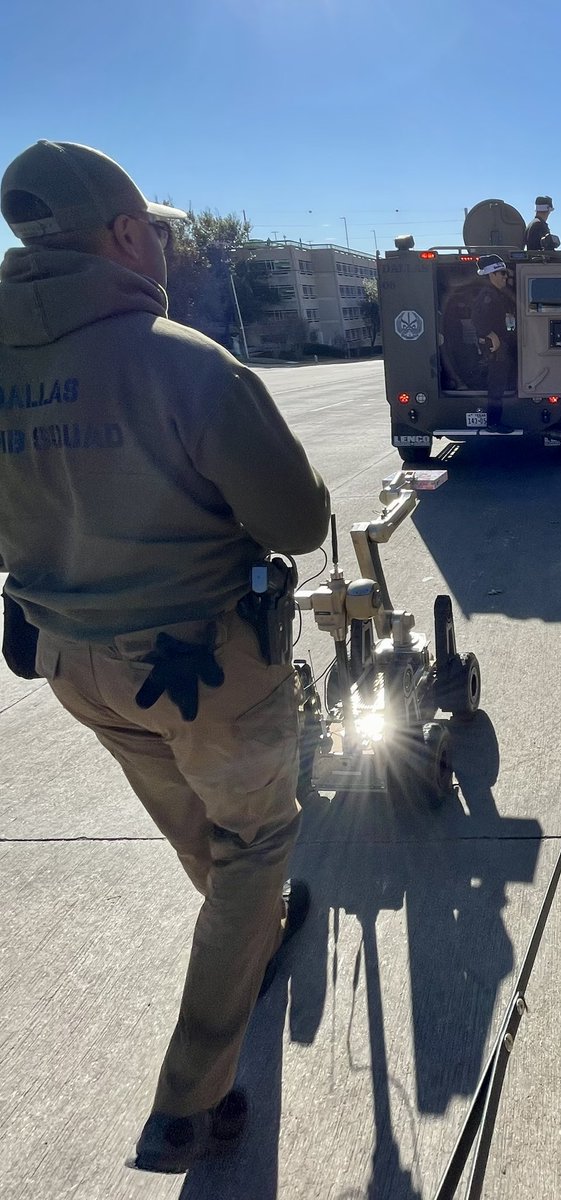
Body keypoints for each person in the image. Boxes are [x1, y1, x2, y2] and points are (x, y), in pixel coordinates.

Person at [0, 142, 330, 1172]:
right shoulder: (184, 361)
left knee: (199, 829)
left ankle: (251, 932)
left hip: (71, 664)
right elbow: (297, 522)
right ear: (128, 235)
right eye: (164, 234)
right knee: (252, 842)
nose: (171, 253)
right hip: (207, 669)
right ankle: (188, 1101)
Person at [471, 253, 517, 428]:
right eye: (502, 273)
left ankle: (495, 421)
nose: (506, 276)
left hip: (500, 348)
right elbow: (476, 318)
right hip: (495, 350)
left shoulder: (495, 293)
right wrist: (491, 335)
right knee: (496, 387)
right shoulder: (487, 294)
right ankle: (493, 423)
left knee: (499, 383)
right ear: (492, 275)